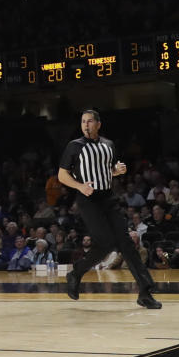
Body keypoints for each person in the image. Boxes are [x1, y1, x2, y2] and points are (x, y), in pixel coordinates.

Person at [57, 109, 160, 309]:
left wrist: (117, 171)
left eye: (89, 121)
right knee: (106, 243)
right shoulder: (74, 146)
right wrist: (79, 186)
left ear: (98, 124)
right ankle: (76, 272)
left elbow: (107, 170)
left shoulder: (108, 145)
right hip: (88, 199)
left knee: (126, 243)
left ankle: (145, 291)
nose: (86, 125)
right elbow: (62, 175)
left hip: (108, 198)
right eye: (83, 122)